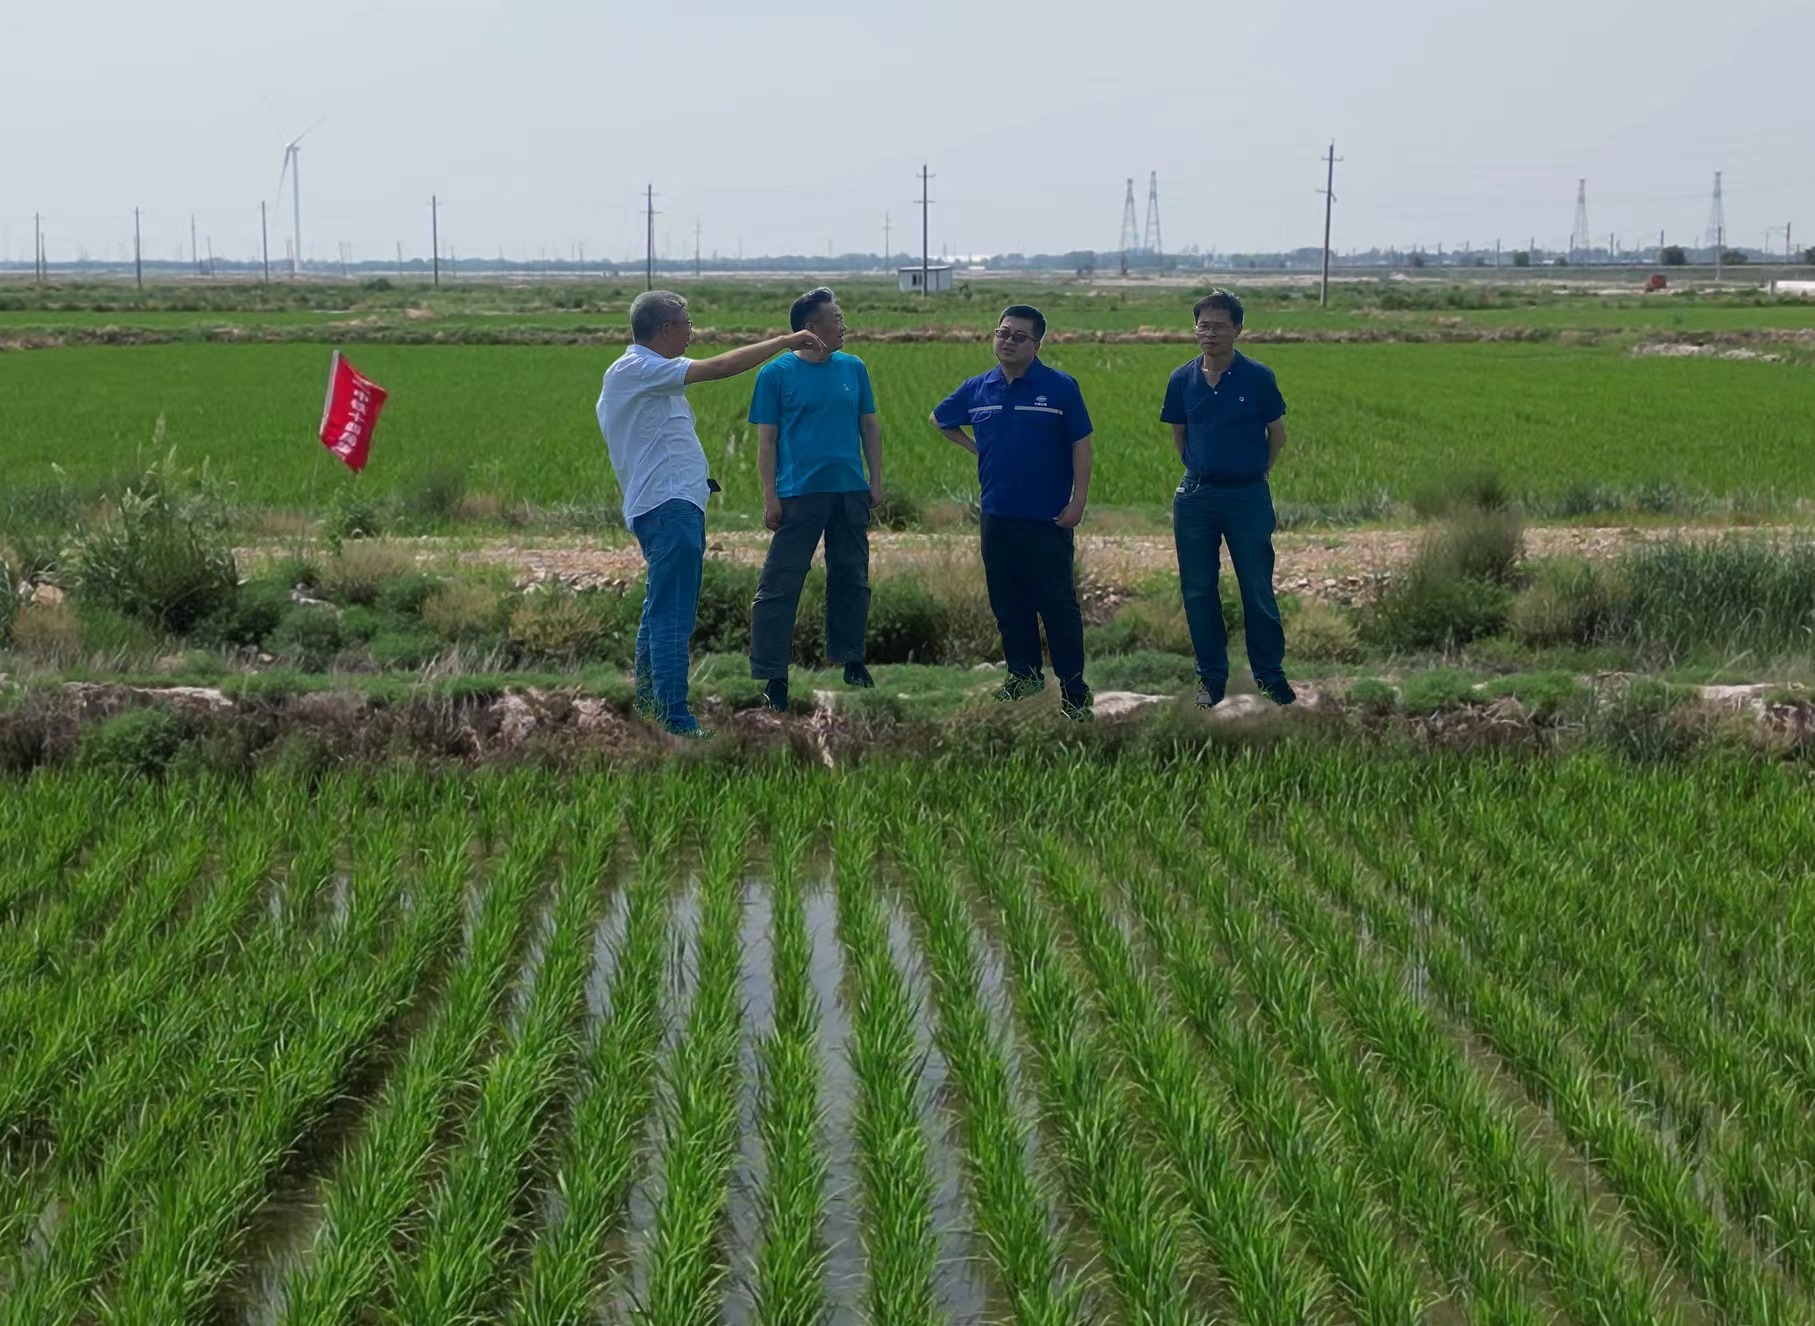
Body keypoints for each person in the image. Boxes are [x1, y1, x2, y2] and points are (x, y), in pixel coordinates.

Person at [596, 290, 821, 738]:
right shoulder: (637, 369)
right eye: (687, 323)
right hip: (667, 507)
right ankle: (675, 718)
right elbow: (718, 367)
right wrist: (784, 342)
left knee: (660, 609)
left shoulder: (647, 374)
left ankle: (651, 705)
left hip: (671, 505)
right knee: (672, 614)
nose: (692, 332)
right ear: (665, 329)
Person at [930, 304, 1095, 721]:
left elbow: (1081, 444)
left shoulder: (1060, 387)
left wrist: (1078, 500)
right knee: (1009, 604)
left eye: (1019, 336)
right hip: (997, 514)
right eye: (1002, 333)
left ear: (1036, 345)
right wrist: (976, 448)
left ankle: (1074, 691)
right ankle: (1024, 676)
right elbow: (939, 418)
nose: (1008, 341)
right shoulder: (978, 388)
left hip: (1048, 517)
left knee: (1057, 606)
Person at [748, 287, 884, 711]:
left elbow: (869, 427)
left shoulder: (853, 368)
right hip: (798, 493)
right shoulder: (775, 374)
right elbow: (767, 442)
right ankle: (774, 675)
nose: (843, 325)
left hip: (849, 489)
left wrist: (875, 480)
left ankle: (852, 660)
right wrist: (770, 497)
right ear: (811, 328)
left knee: (852, 578)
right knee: (779, 585)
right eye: (836, 318)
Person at [1160, 289, 1294, 708]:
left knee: (1257, 588)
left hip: (1247, 497)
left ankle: (1270, 676)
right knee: (1198, 591)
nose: (1210, 333)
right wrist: (1197, 466)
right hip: (1197, 496)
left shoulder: (1258, 377)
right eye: (1203, 325)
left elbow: (1277, 434)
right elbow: (1179, 432)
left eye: (1219, 326)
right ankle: (1211, 678)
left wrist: (1259, 471)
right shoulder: (1181, 379)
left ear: (1237, 329)